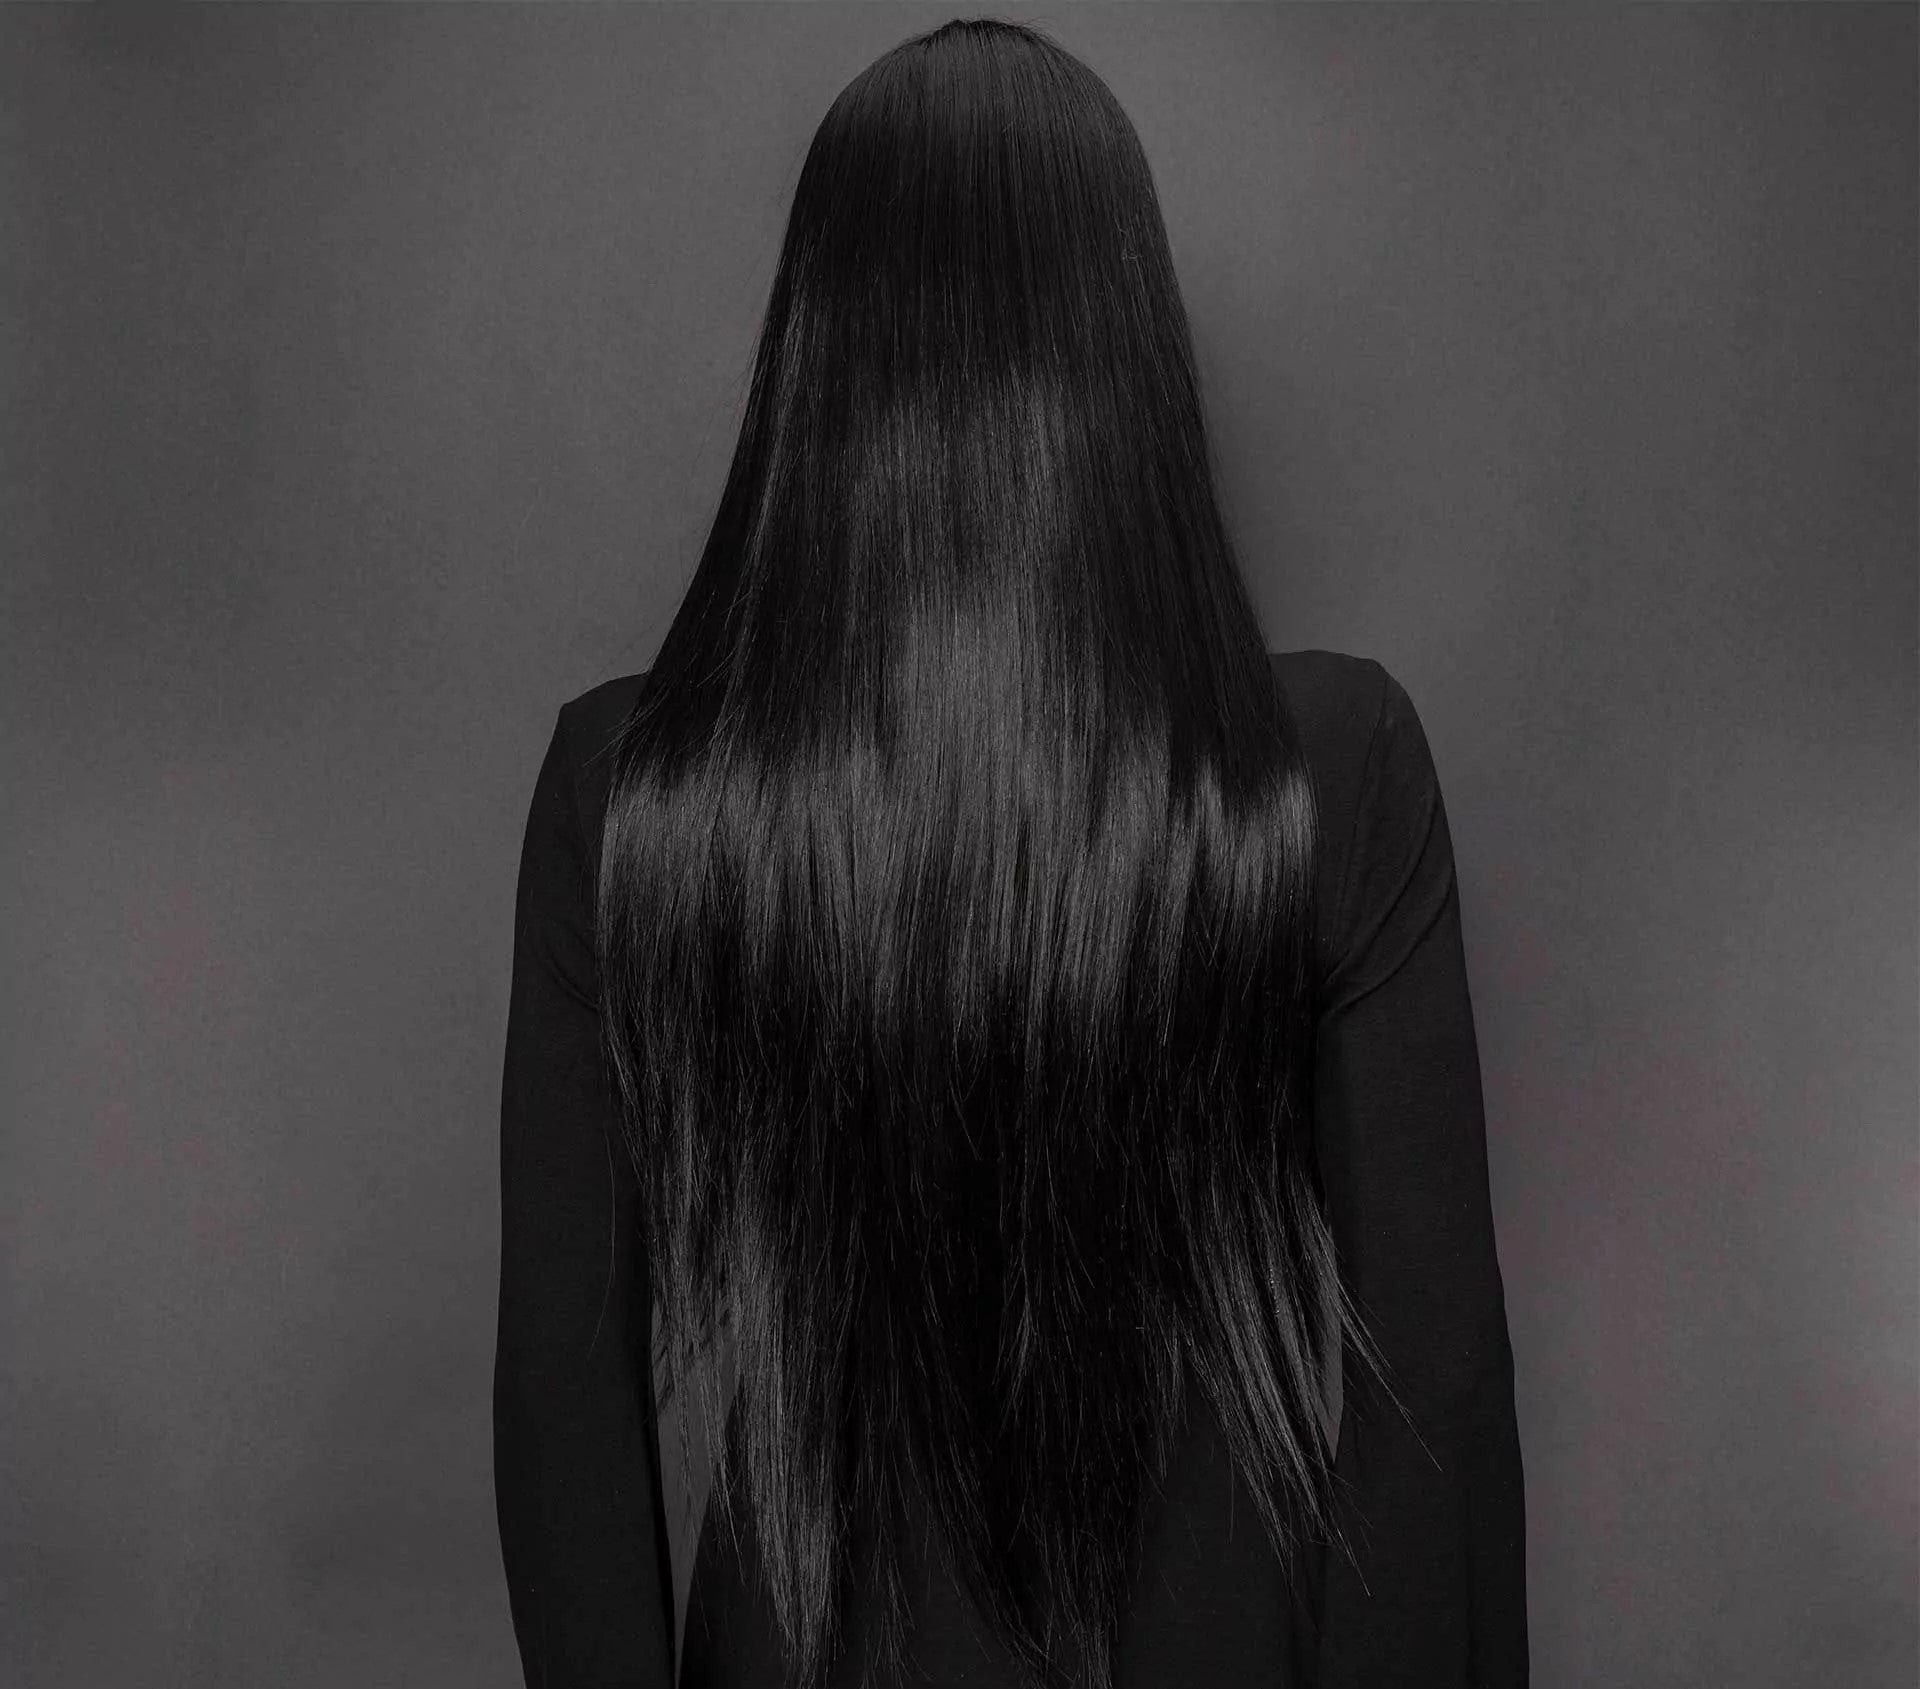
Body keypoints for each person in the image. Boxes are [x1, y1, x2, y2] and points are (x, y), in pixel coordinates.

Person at [494, 17, 1527, 1689]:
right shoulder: (1321, 772)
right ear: (1131, 344)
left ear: (815, 351)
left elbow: (564, 1400)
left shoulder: (642, 790)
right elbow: (1439, 1389)